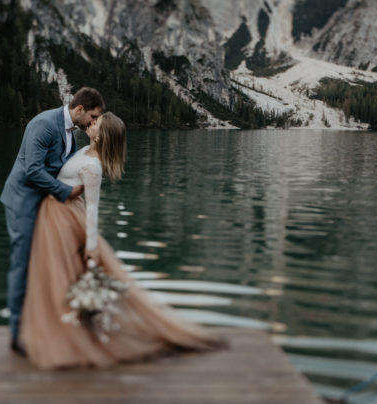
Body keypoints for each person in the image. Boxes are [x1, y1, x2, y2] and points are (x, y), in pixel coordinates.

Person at [19, 111, 226, 368]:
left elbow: (93, 208)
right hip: (56, 213)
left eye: (97, 123)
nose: (92, 122)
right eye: (94, 120)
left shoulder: (93, 166)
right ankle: (65, 331)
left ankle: (77, 338)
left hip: (65, 219)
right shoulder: (83, 149)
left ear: (103, 135)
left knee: (67, 276)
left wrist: (92, 247)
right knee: (58, 276)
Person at [1, 87, 105, 356]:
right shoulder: (44, 124)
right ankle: (16, 335)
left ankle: (46, 324)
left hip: (46, 206)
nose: (93, 122)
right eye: (92, 116)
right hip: (23, 202)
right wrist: (66, 192)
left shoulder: (70, 131)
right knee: (21, 266)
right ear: (79, 109)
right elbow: (32, 170)